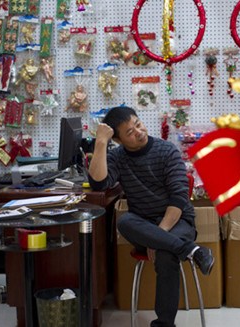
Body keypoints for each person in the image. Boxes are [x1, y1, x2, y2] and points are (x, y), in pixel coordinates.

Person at [88, 106, 214, 327]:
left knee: (166, 254)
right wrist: (100, 142)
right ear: (118, 140)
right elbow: (99, 183)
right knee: (124, 220)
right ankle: (193, 251)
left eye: (138, 124)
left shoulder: (167, 151)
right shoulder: (117, 157)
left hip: (178, 221)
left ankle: (164, 324)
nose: (138, 131)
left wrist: (157, 237)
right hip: (143, 224)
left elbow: (178, 201)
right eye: (129, 132)